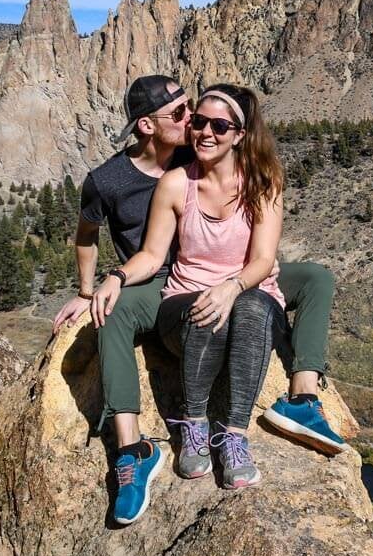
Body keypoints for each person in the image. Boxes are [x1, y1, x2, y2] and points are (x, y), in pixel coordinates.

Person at [52, 76, 344, 524]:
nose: (197, 125)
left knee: (313, 280)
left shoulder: (230, 164)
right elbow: (98, 239)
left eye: (210, 122)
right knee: (112, 313)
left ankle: (300, 398)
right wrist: (93, 287)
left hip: (235, 280)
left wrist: (238, 283)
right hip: (169, 284)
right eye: (187, 117)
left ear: (236, 135)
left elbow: (261, 252)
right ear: (148, 126)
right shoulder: (115, 179)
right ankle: (134, 448)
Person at [95, 84, 283, 491]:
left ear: (240, 134)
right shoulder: (176, 184)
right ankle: (194, 424)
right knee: (203, 307)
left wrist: (231, 287)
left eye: (219, 125)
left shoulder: (263, 184)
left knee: (251, 307)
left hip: (246, 295)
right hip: (184, 302)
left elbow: (263, 260)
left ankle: (234, 435)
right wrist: (116, 276)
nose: (204, 132)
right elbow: (151, 254)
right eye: (198, 121)